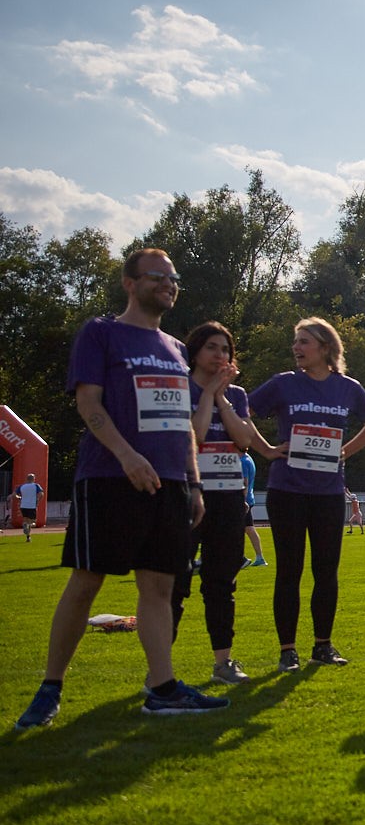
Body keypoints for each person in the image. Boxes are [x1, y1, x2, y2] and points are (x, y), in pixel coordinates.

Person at [15, 248, 228, 728]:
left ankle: (162, 689)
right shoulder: (101, 333)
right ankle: (50, 688)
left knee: (159, 587)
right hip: (110, 478)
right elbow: (88, 404)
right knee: (87, 581)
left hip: (170, 483)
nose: (168, 284)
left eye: (173, 278)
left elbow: (181, 423)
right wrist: (127, 456)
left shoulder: (176, 349)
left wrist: (194, 484)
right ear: (130, 283)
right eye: (157, 276)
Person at [249, 317, 365, 671]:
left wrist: (345, 451)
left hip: (328, 493)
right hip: (287, 490)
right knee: (288, 571)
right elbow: (241, 411)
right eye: (295, 341)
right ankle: (287, 650)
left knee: (326, 572)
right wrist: (265, 449)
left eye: (304, 341)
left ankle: (323, 646)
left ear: (325, 347)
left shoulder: (348, 388)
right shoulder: (283, 383)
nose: (296, 347)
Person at [170, 321, 260, 685]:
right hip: (187, 495)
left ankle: (224, 663)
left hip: (228, 499)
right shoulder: (179, 387)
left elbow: (244, 440)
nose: (220, 355)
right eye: (212, 347)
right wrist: (207, 393)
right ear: (195, 352)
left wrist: (222, 398)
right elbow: (195, 436)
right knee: (175, 584)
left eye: (225, 350)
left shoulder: (236, 394)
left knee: (222, 583)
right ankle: (159, 670)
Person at [239, 451, 267, 567]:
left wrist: (242, 500)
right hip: (248, 499)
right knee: (249, 528)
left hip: (243, 500)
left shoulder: (242, 461)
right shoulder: (248, 459)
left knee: (235, 529)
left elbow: (244, 482)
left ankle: (241, 559)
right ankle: (260, 558)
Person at [15, 472, 45, 541]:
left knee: (26, 520)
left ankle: (28, 537)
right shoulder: (36, 485)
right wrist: (38, 500)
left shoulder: (22, 486)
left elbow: (15, 494)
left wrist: (19, 498)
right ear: (33, 479)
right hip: (32, 505)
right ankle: (28, 526)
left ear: (27, 479)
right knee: (33, 522)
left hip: (23, 506)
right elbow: (41, 494)